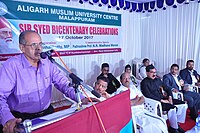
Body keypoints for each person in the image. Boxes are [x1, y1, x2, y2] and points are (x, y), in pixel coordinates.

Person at [0, 30, 98, 133]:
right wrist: (8, 119)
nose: (39, 48)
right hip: (21, 119)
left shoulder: (47, 62)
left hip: (46, 115)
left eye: (40, 44)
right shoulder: (11, 66)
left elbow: (63, 84)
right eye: (33, 45)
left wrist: (81, 98)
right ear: (22, 48)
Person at [141, 65, 187, 133]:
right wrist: (162, 100)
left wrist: (170, 97)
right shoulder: (144, 82)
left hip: (165, 98)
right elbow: (148, 95)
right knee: (172, 108)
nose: (154, 74)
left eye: (155, 72)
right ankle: (173, 128)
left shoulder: (158, 80)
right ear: (147, 73)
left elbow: (167, 88)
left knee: (183, 104)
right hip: (156, 102)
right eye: (152, 72)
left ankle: (177, 124)